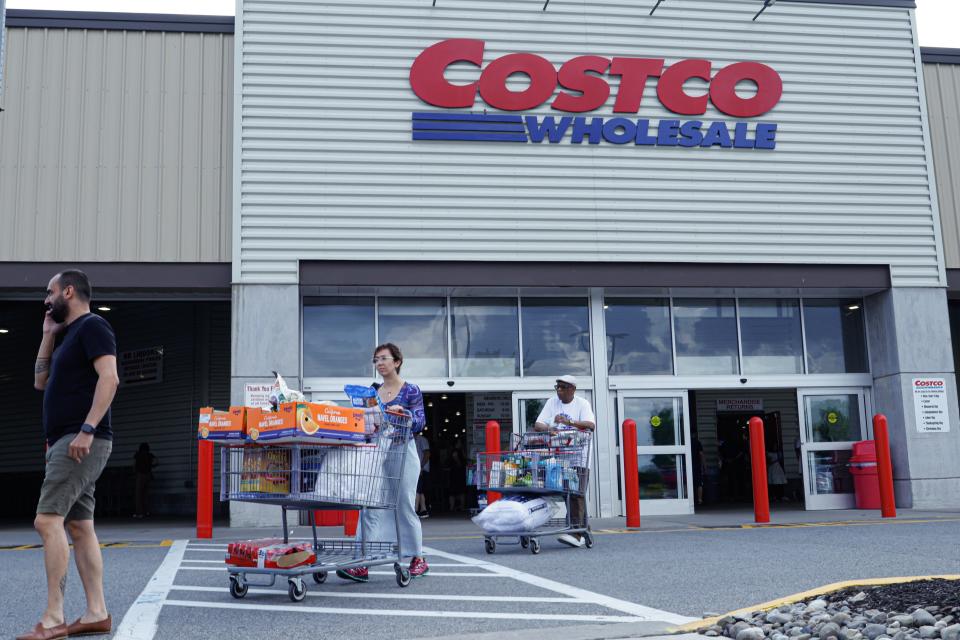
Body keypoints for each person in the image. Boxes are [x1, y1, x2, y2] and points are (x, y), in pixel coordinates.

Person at [19, 270, 119, 640]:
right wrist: (47, 335)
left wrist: (88, 429)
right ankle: (96, 613)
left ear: (69, 291)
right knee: (79, 526)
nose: (46, 299)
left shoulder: (94, 326)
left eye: (50, 292)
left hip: (80, 439)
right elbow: (39, 382)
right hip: (68, 439)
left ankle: (53, 618)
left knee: (47, 521)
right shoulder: (67, 337)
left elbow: (110, 378)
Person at [337, 343, 429, 582]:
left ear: (397, 362)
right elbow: (366, 423)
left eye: (384, 359)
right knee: (370, 505)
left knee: (404, 504)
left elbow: (420, 422)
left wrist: (404, 414)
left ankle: (417, 558)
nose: (379, 363)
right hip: (379, 451)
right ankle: (363, 561)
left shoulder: (411, 390)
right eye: (376, 360)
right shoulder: (372, 391)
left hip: (402, 450)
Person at [533, 375, 595, 548]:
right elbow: (538, 424)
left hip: (579, 457)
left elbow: (591, 425)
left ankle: (576, 533)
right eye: (557, 387)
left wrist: (570, 422)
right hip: (561, 458)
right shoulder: (552, 402)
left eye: (562, 387)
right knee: (568, 494)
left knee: (576, 493)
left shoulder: (582, 404)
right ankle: (583, 529)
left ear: (572, 389)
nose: (559, 390)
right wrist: (549, 428)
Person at [133, 443, 158, 518]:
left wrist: (135, 473)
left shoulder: (137, 455)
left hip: (140, 475)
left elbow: (134, 465)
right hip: (148, 475)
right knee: (146, 494)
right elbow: (157, 462)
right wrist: (151, 466)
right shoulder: (150, 455)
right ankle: (146, 511)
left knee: (138, 495)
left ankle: (139, 513)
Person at [414, 432, 431, 518]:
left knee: (418, 489)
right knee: (420, 490)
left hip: (421, 469)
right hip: (418, 468)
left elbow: (427, 454)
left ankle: (416, 510)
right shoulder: (414, 440)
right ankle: (423, 509)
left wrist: (421, 466)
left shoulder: (422, 440)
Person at [447, 448, 467, 512]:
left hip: (460, 476)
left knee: (461, 492)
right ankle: (452, 507)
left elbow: (461, 465)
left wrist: (456, 458)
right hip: (453, 476)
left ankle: (462, 507)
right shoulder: (450, 458)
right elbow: (447, 465)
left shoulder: (461, 455)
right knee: (452, 493)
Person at [692, 431, 706, 506]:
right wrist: (704, 466)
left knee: (688, 483)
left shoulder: (685, 442)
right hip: (697, 465)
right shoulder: (698, 442)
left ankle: (689, 498)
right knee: (699, 483)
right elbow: (701, 454)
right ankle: (700, 500)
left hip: (688, 466)